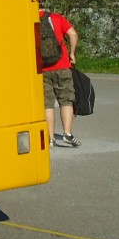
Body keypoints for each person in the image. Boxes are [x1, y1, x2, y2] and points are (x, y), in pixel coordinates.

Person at [40, 8, 80, 148]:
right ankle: (67, 134)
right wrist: (72, 53)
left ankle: (50, 138)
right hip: (62, 65)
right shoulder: (56, 17)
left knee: (47, 104)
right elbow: (73, 34)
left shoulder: (29, 20)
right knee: (66, 100)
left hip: (42, 68)